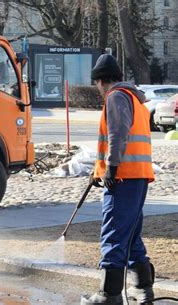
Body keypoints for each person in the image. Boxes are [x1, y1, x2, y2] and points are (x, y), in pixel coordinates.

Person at [81, 54, 155, 305]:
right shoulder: (136, 100)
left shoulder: (116, 97)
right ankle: (143, 288)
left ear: (101, 81)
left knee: (113, 233)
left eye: (96, 85)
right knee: (131, 234)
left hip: (123, 177)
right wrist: (99, 171)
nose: (98, 90)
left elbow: (118, 133)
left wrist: (111, 168)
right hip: (139, 176)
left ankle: (109, 294)